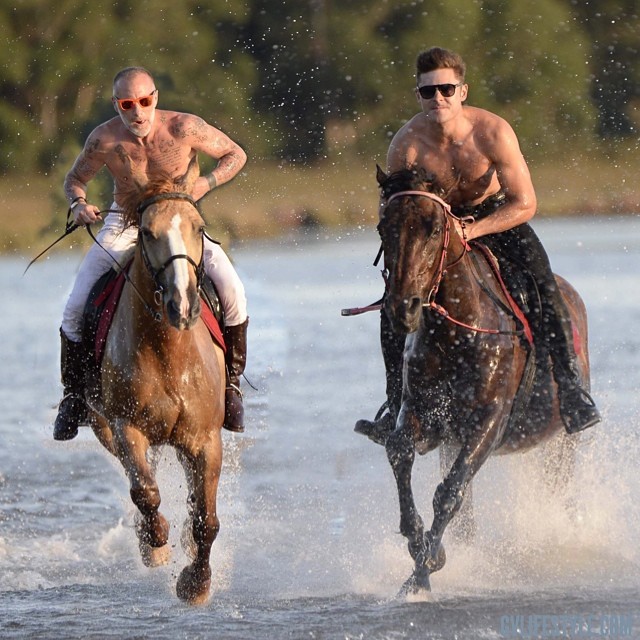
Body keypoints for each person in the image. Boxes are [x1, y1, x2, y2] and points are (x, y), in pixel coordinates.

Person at [356, 47, 600, 441]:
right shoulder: (407, 145)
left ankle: (571, 392)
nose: (438, 98)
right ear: (418, 95)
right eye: (428, 91)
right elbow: (394, 208)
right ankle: (396, 407)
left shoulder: (493, 133)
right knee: (394, 304)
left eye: (446, 89)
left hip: (498, 218)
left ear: (463, 91)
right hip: (440, 229)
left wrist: (472, 230)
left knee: (546, 290)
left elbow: (527, 203)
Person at [54, 66, 249, 441]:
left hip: (179, 224)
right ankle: (74, 396)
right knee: (75, 307)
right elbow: (74, 180)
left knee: (233, 290)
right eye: (128, 104)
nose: (138, 112)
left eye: (144, 101)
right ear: (117, 105)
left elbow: (234, 155)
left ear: (155, 98)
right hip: (125, 224)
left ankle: (231, 386)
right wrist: (79, 204)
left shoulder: (184, 128)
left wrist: (204, 184)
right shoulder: (104, 140)